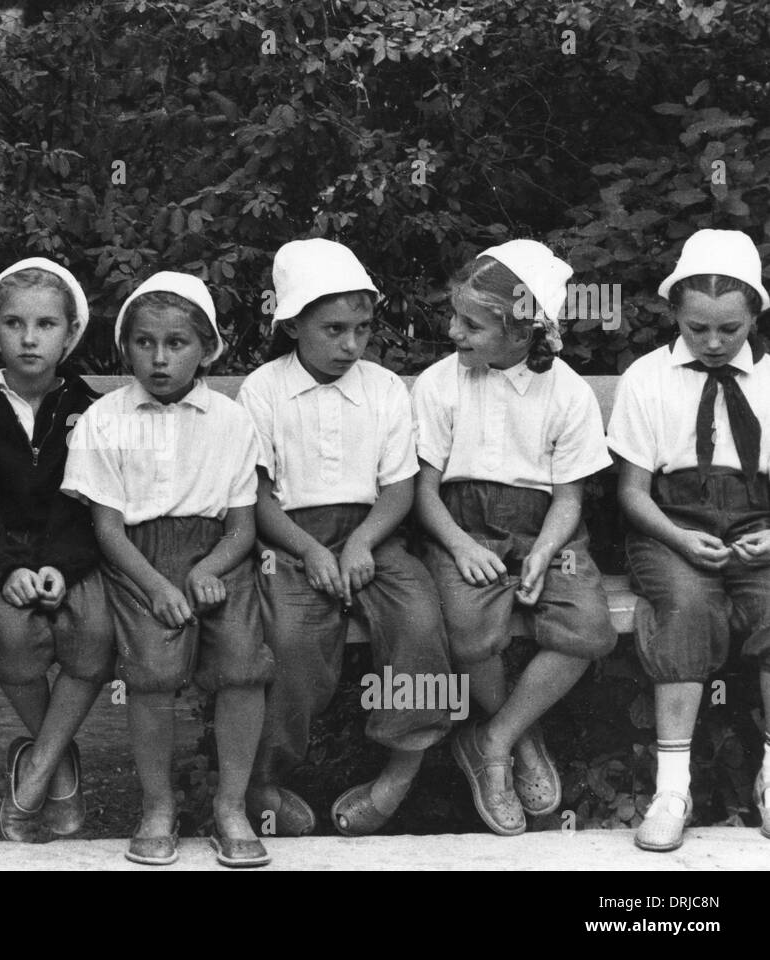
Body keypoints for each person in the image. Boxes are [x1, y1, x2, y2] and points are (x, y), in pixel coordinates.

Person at [237, 239, 453, 838]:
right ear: (293, 324)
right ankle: (264, 777)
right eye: (333, 329)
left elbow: (399, 487)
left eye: (361, 328)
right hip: (289, 540)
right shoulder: (264, 390)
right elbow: (255, 496)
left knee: (417, 617)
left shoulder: (383, 388)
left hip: (375, 534)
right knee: (288, 638)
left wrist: (361, 543)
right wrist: (307, 550)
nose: (350, 345)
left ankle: (401, 768)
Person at [61, 272, 275, 868]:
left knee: (241, 660)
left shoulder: (230, 421)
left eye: (177, 343)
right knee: (152, 667)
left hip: (218, 557)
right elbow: (106, 530)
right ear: (124, 347)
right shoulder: (105, 419)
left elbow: (243, 526)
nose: (158, 358)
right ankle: (157, 805)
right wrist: (156, 586)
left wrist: (212, 566)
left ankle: (231, 806)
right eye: (143, 342)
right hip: (137, 561)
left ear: (206, 349)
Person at [412, 240, 616, 836]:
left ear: (523, 332)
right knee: (468, 627)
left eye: (472, 324)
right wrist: (461, 546)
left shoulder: (569, 393)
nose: (454, 332)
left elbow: (570, 499)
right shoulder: (439, 384)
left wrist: (547, 553)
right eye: (455, 317)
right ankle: (522, 744)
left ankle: (494, 736)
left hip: (549, 528)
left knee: (587, 626)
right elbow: (424, 493)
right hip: (461, 525)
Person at [607, 228, 770, 851]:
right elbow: (631, 494)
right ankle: (672, 788)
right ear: (674, 311)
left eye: (729, 328)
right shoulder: (649, 378)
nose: (712, 342)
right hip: (671, 525)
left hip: (757, 525)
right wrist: (677, 537)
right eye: (697, 327)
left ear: (754, 314)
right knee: (687, 605)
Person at [0, 258, 114, 842]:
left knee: (95, 635)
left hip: (71, 550)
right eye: (14, 324)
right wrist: (10, 568)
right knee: (15, 638)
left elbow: (89, 500)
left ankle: (37, 767)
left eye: (46, 324)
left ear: (69, 334)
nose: (29, 337)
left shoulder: (89, 408)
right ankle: (60, 761)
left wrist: (57, 565)